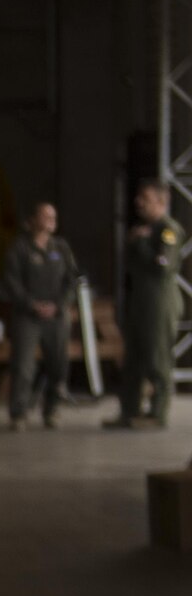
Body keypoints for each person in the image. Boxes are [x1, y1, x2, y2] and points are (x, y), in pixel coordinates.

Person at [107, 179, 186, 429]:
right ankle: (129, 411)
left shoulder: (168, 230)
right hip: (140, 301)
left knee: (157, 357)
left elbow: (163, 265)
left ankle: (158, 413)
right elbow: (130, 267)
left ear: (162, 202)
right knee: (134, 359)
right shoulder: (143, 229)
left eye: (146, 199)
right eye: (139, 198)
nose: (139, 203)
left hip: (159, 303)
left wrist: (141, 242)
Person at [1, 201, 79, 430]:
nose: (50, 220)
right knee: (23, 366)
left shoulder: (61, 248)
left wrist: (59, 304)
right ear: (32, 220)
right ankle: (19, 413)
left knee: (58, 365)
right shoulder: (19, 248)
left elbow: (71, 280)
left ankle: (52, 410)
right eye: (45, 215)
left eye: (53, 216)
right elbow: (11, 282)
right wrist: (31, 304)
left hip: (56, 316)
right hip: (28, 316)